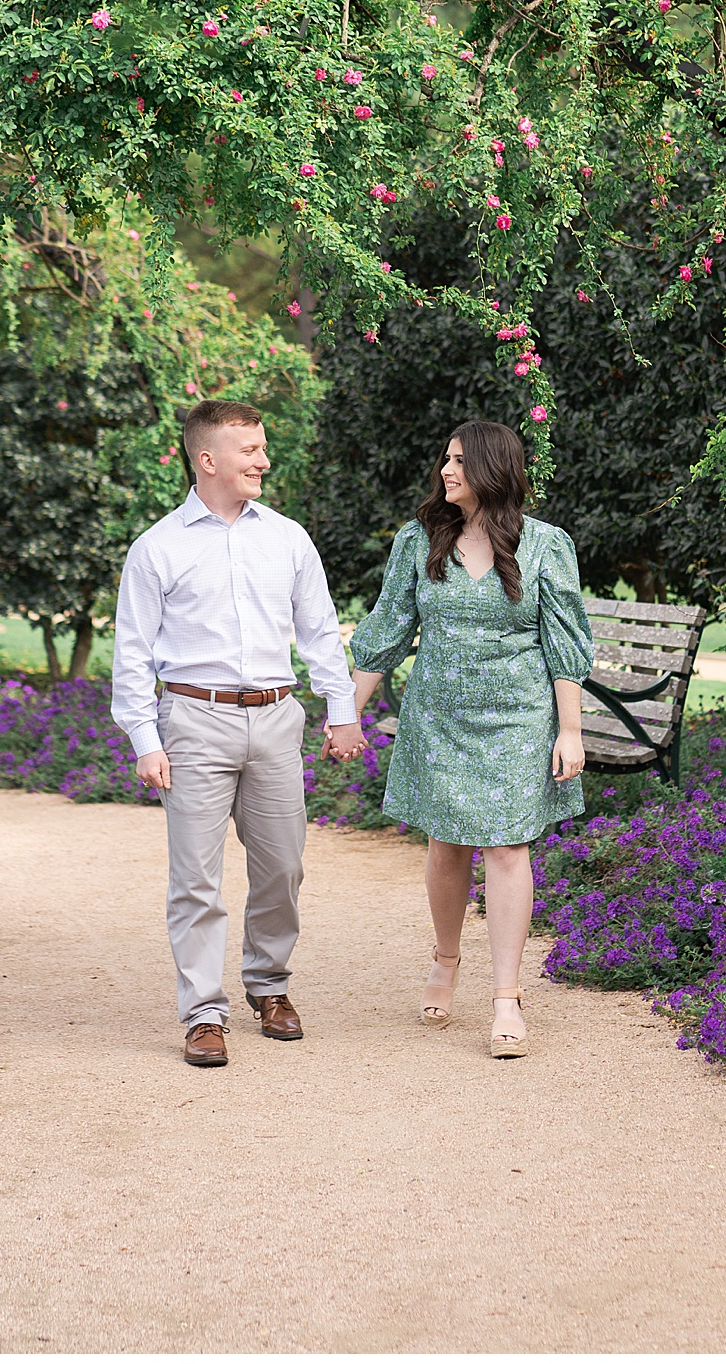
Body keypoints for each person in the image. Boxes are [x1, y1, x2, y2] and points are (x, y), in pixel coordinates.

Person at [111, 398, 366, 1067]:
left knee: (283, 865)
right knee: (195, 877)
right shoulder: (158, 548)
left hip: (277, 718)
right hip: (194, 719)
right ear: (208, 459)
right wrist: (145, 737)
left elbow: (318, 633)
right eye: (249, 449)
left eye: (261, 447)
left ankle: (269, 985)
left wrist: (342, 710)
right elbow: (133, 653)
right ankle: (202, 1013)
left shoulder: (287, 538)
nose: (263, 460)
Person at [348, 420, 593, 1059]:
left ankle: (506, 996)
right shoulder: (418, 540)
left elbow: (565, 642)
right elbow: (388, 630)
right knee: (447, 842)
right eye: (444, 460)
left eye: (458, 461)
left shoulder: (544, 545)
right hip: (440, 716)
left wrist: (570, 730)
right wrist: (348, 713)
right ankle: (445, 959)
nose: (445, 471)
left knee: (508, 848)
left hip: (518, 718)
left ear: (491, 469)